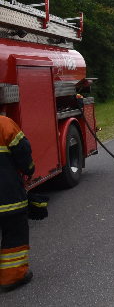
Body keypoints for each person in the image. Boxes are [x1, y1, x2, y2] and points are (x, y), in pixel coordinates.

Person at [0, 113, 35, 291]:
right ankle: (13, 276)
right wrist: (29, 170)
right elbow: (23, 152)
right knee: (14, 233)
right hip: (7, 199)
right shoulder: (4, 124)